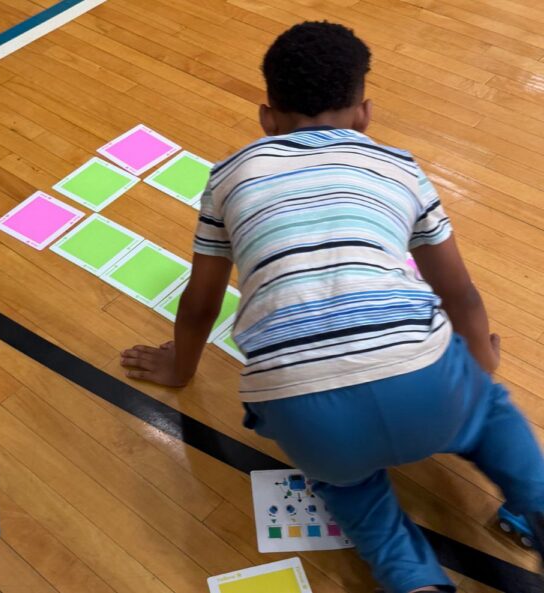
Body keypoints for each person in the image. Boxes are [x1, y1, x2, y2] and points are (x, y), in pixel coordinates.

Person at [120, 21, 544, 593]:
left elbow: (201, 303)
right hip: (423, 379)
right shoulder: (399, 166)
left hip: (298, 403)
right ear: (364, 114)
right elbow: (460, 292)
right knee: (491, 417)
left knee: (356, 496)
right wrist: (479, 365)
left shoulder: (228, 176)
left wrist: (179, 368)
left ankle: (415, 581)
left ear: (267, 118)